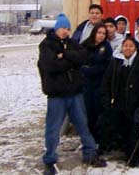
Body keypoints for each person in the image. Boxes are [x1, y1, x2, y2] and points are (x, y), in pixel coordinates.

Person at [38, 13, 106, 175]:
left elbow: (82, 57)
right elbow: (51, 66)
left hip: (75, 93)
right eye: (62, 28)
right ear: (56, 28)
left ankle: (90, 153)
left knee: (83, 125)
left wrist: (65, 55)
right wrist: (70, 62)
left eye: (68, 28)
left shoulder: (72, 43)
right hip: (56, 95)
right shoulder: (47, 45)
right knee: (53, 129)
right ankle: (50, 160)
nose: (65, 31)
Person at [98, 37, 139, 167]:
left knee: (133, 130)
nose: (128, 48)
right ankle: (112, 149)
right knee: (110, 126)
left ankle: (134, 157)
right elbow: (106, 82)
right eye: (125, 46)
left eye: (131, 46)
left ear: (135, 48)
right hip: (118, 102)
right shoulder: (115, 62)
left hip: (134, 104)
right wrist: (107, 101)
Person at [80, 23, 113, 140]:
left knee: (99, 112)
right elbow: (79, 62)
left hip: (99, 84)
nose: (101, 36)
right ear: (94, 32)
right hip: (86, 85)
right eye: (99, 33)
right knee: (88, 113)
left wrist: (90, 70)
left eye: (104, 33)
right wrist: (84, 69)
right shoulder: (85, 45)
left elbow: (105, 66)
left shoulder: (106, 47)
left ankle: (99, 139)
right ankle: (89, 138)